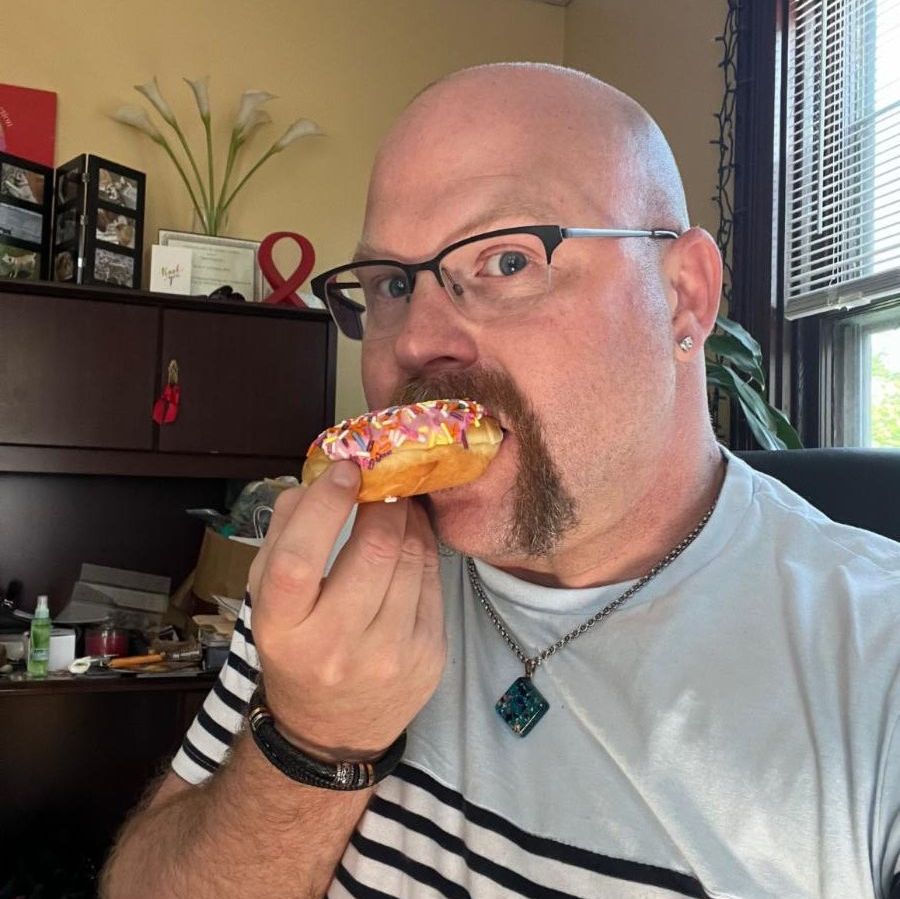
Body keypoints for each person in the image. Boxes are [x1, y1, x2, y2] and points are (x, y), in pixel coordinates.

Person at [101, 63, 900, 898]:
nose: (415, 342)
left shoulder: (873, 661)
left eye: (508, 260)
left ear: (684, 298)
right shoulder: (334, 570)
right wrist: (310, 744)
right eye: (391, 286)